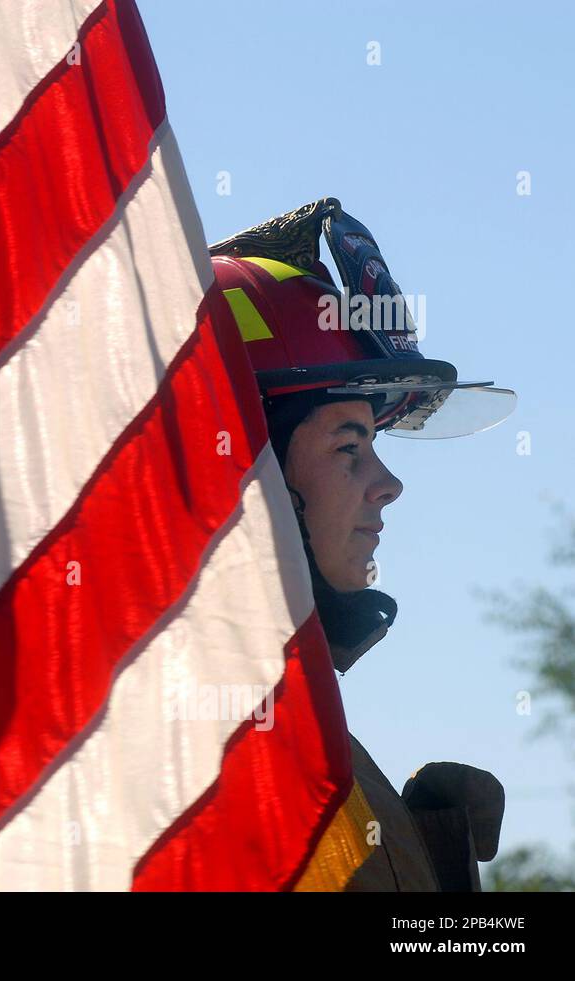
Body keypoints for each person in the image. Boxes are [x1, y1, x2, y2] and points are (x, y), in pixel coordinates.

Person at [208, 198, 514, 891]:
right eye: (350, 444)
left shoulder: (292, 729)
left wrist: (418, 851)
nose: (389, 485)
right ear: (243, 467)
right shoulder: (203, 750)